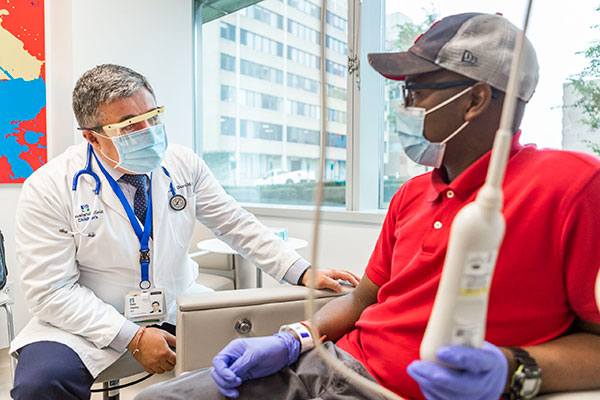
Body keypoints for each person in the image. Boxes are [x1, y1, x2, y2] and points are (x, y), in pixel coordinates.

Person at [135, 12, 600, 400]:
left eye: (415, 90)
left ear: (474, 99)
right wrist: (291, 338)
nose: (405, 105)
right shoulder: (413, 195)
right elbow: (362, 300)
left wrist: (513, 369)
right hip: (329, 366)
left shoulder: (572, 186)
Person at [9, 64, 360, 400]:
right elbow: (51, 291)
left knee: (250, 362)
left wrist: (299, 270)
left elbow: (233, 222)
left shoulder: (182, 163)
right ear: (92, 137)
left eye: (152, 116)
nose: (147, 131)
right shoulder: (50, 186)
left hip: (177, 303)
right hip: (84, 321)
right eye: (129, 125)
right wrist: (132, 337)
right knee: (41, 383)